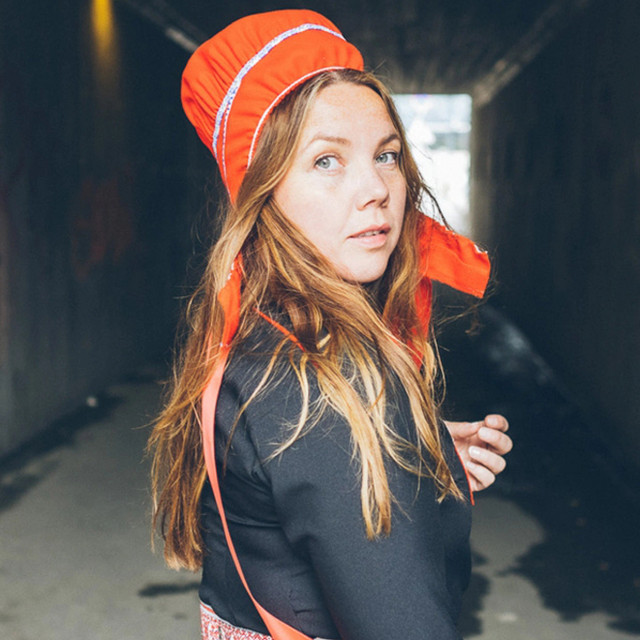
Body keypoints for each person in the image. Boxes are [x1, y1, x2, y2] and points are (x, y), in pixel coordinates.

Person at [149, 10, 512, 640]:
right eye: (326, 161)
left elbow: (295, 496)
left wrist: (411, 459)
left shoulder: (265, 338)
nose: (376, 188)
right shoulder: (326, 382)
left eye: (386, 155)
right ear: (262, 191)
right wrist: (370, 434)